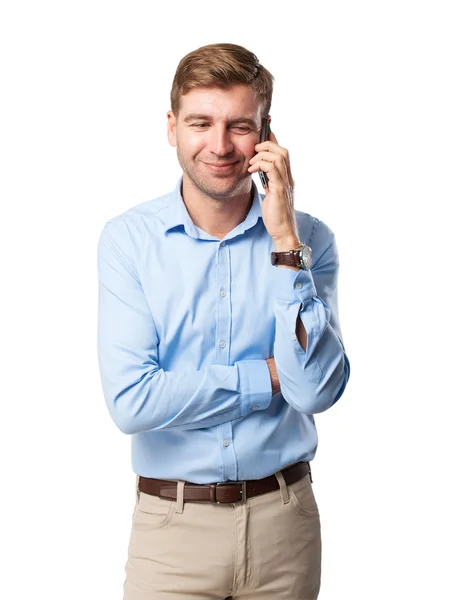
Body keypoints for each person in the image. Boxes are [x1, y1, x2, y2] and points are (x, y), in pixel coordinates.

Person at [97, 42, 350, 600]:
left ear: (266, 133)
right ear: (171, 127)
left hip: (286, 524)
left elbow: (315, 390)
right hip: (171, 534)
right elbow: (132, 403)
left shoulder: (311, 240)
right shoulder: (129, 242)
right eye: (200, 123)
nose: (219, 146)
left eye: (239, 125)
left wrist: (285, 242)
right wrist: (268, 375)